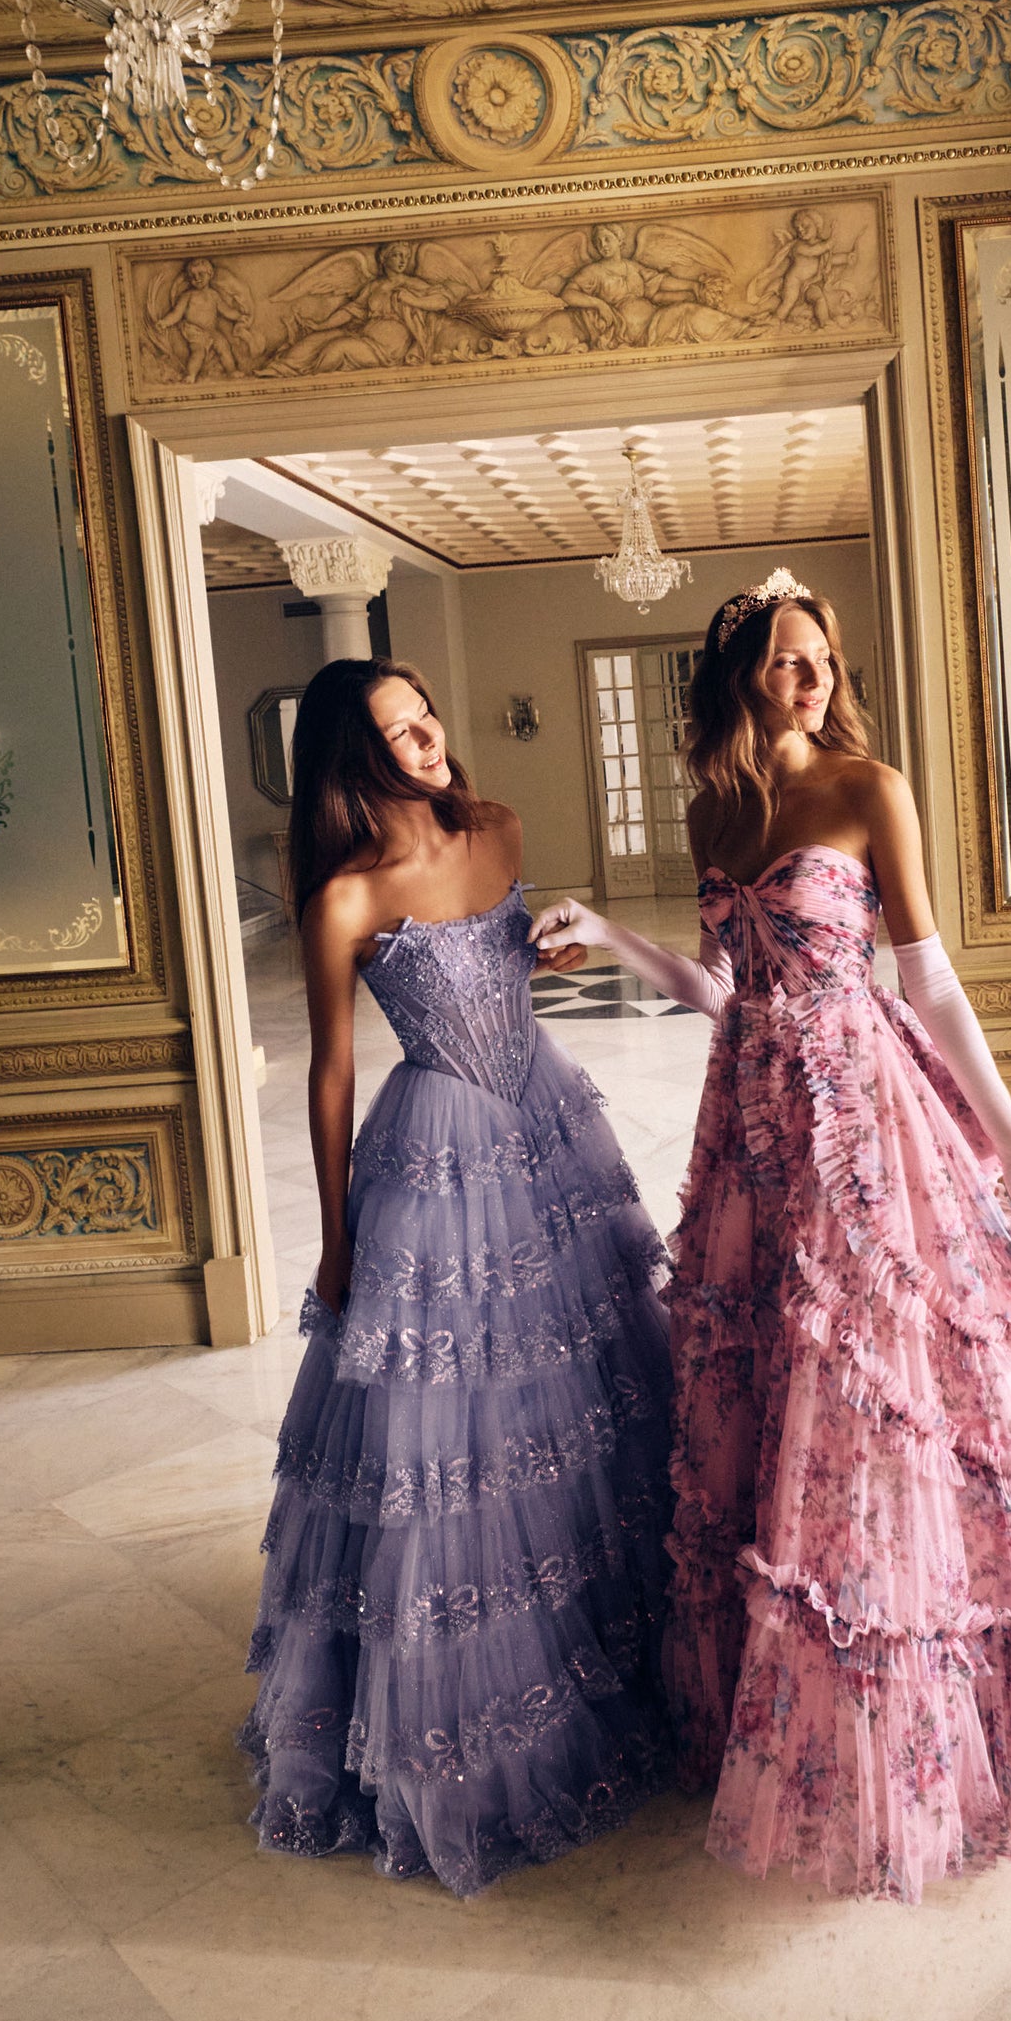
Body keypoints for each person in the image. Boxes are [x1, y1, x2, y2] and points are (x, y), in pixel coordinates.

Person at [530, 569, 1011, 1902]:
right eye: (781, 656)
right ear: (737, 677)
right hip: (750, 1121)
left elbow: (928, 978)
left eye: (820, 655)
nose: (806, 674)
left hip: (865, 1115)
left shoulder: (871, 788)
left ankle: (931, 1719)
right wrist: (603, 934)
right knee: (767, 1386)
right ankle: (786, 1704)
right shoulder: (715, 805)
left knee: (880, 1390)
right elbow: (720, 988)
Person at [240, 658, 675, 1896]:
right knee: (453, 1445)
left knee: (585, 1396)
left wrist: (535, 959)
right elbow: (329, 1076)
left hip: (544, 1116)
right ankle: (466, 1718)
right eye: (395, 730)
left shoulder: (498, 827)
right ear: (353, 759)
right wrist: (332, 1236)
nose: (427, 736)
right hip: (435, 1152)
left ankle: (619, 1642)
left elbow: (507, 973)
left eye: (424, 712)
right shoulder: (345, 898)